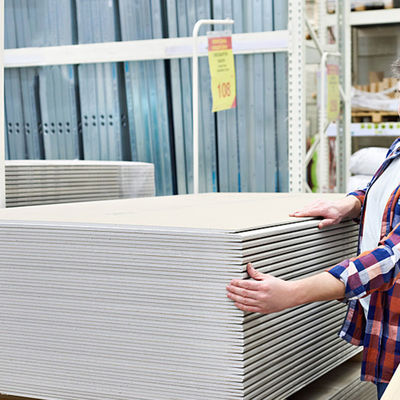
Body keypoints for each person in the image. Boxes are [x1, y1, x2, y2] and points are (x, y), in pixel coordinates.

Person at [226, 58, 400, 400]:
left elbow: (390, 258)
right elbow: (385, 193)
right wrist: (352, 204)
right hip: (383, 316)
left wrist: (292, 293)